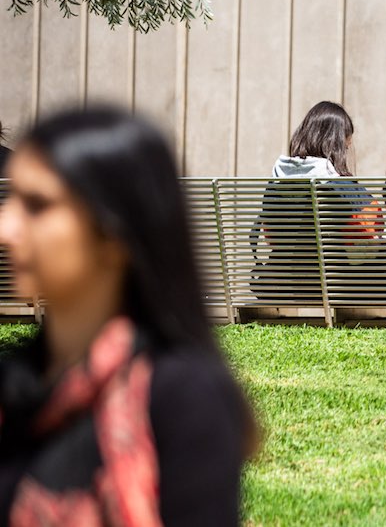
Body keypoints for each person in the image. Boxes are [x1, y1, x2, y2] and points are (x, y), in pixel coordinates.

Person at [0, 108, 255, 524]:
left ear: (115, 236)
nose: (6, 229)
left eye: (38, 206)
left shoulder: (182, 398)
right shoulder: (13, 383)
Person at [255, 101, 386, 304]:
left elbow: (269, 234)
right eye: (345, 144)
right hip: (331, 281)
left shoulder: (278, 177)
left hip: (284, 281)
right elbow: (374, 224)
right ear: (336, 143)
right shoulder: (332, 178)